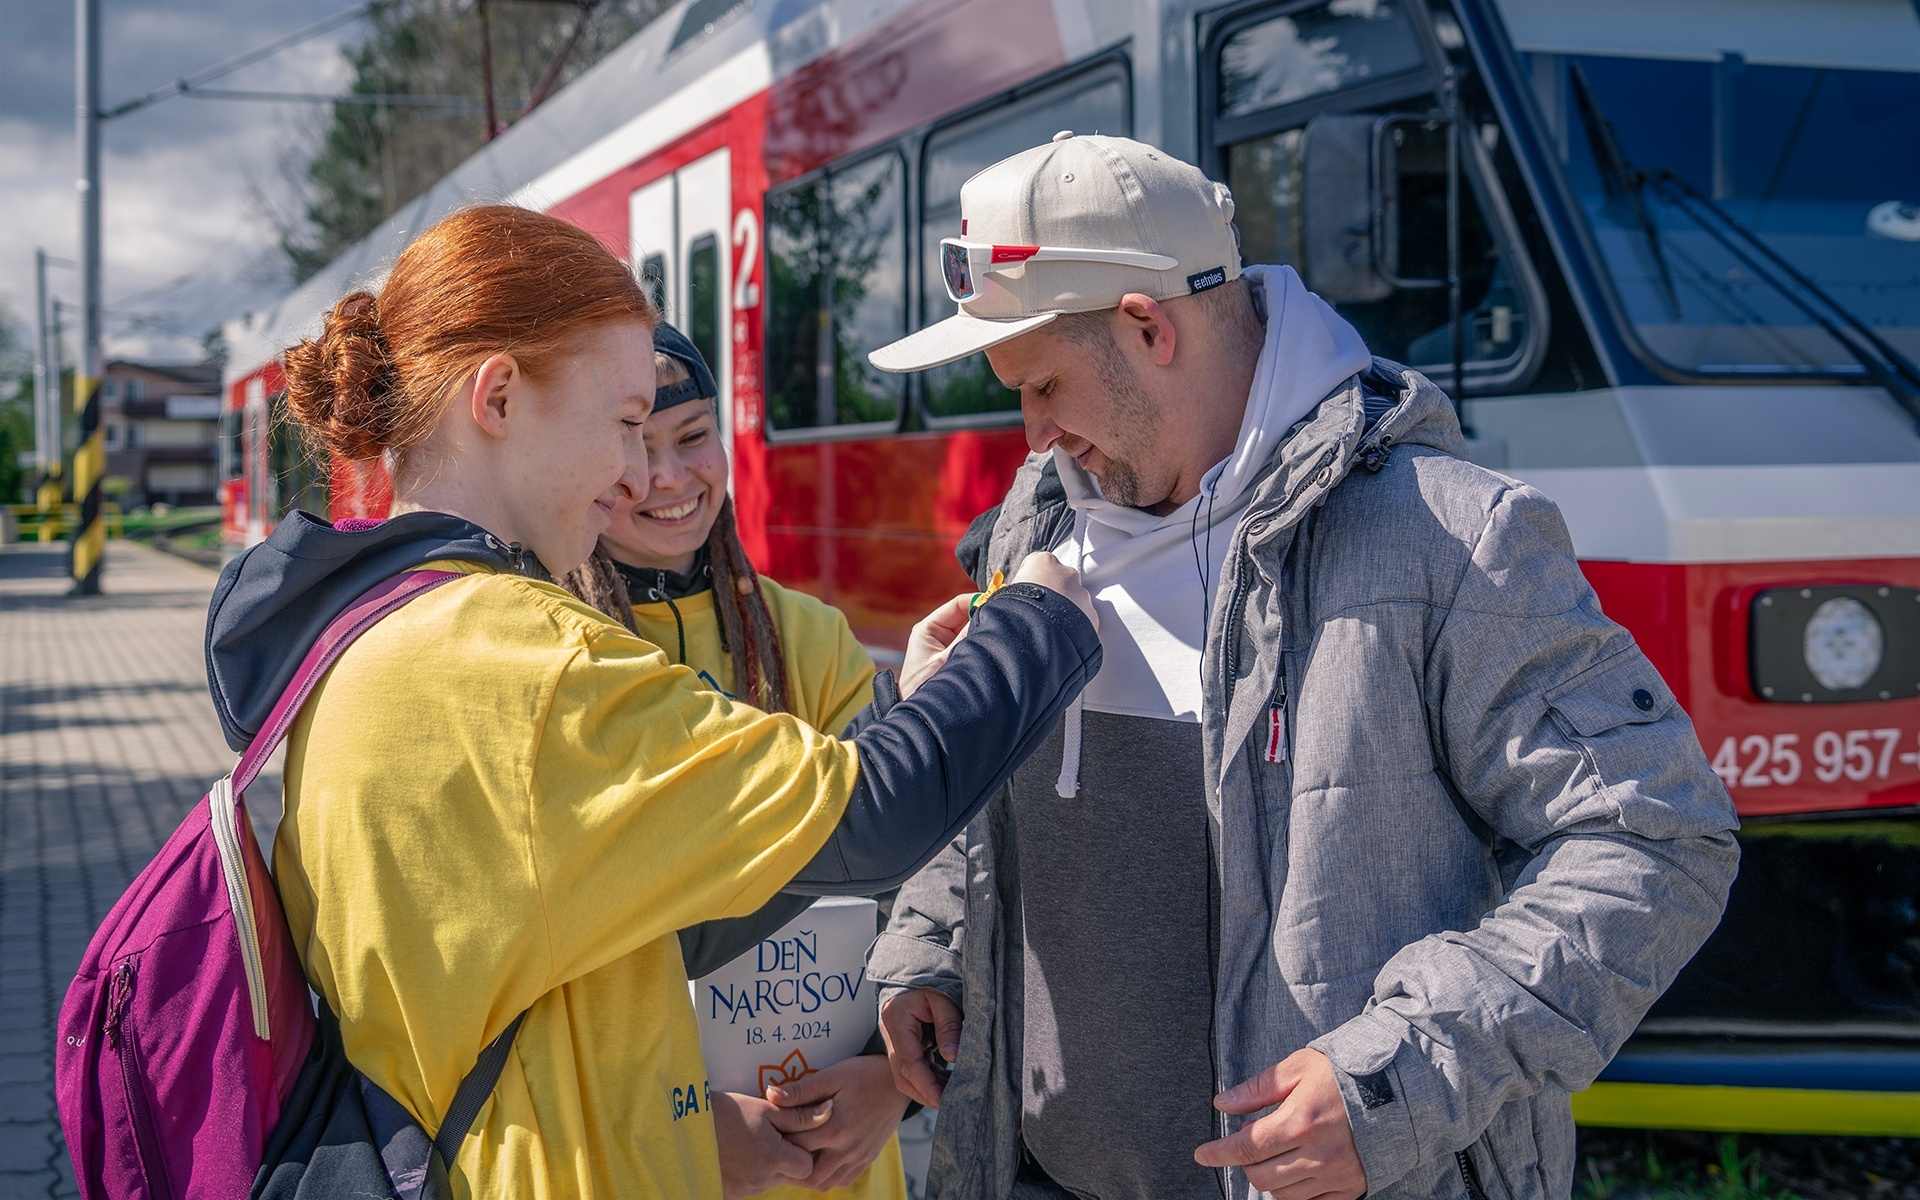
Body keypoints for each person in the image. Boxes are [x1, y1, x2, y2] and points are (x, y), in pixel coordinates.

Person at [863, 134, 1740, 1200]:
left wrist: (1400, 1077)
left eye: (1044, 384)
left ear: (1148, 327)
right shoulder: (1034, 524)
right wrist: (931, 943)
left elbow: (1654, 834)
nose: (1034, 435)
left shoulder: (1450, 538)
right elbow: (990, 793)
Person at [202, 204, 1102, 1198]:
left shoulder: (377, 630)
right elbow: (873, 819)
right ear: (498, 397)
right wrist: (1033, 620)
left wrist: (914, 704)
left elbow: (643, 920)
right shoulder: (521, 658)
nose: (640, 472)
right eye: (625, 423)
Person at [558, 323, 909, 1199]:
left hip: (848, 1157)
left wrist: (892, 1082)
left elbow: (917, 878)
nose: (672, 479)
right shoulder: (561, 655)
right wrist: (682, 1125)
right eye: (635, 449)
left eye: (693, 437)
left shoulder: (811, 638)